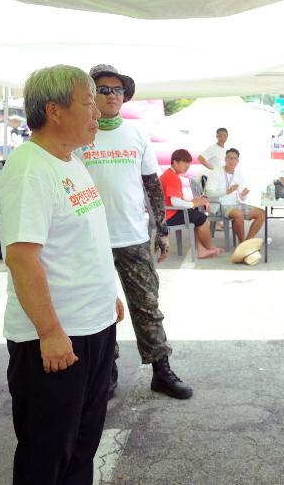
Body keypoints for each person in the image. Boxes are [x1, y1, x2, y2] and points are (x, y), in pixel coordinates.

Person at [0, 64, 125, 484]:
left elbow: (80, 240)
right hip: (56, 339)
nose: (98, 114)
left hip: (93, 326)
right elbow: (22, 257)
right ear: (54, 110)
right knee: (47, 454)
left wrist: (108, 293)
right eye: (88, 103)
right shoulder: (30, 168)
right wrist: (51, 331)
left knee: (82, 447)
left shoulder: (69, 160)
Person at [76, 63, 193, 400]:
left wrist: (162, 229)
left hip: (133, 237)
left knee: (147, 306)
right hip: (90, 239)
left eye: (117, 90)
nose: (112, 95)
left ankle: (161, 371)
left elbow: (152, 186)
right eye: (103, 89)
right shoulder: (80, 134)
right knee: (98, 309)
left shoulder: (137, 134)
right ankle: (105, 373)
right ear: (91, 95)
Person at [159, 148, 223, 259]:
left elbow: (175, 200)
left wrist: (194, 202)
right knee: (202, 219)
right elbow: (175, 202)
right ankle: (210, 248)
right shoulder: (172, 177)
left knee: (196, 215)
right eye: (185, 163)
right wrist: (194, 204)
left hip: (166, 213)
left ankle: (201, 250)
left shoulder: (168, 175)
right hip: (169, 215)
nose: (187, 166)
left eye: (188, 164)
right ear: (175, 162)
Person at [205, 148, 266, 244]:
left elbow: (242, 198)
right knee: (238, 214)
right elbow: (208, 193)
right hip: (219, 206)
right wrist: (226, 192)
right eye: (229, 158)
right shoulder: (215, 172)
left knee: (262, 214)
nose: (232, 161)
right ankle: (242, 244)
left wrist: (243, 195)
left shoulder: (239, 174)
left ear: (237, 161)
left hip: (235, 204)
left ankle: (247, 242)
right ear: (225, 159)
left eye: (234, 159)